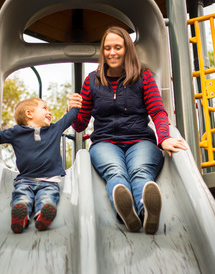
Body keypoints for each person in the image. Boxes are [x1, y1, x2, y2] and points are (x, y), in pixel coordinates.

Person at [72, 26, 187, 234]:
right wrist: (73, 111)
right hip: (105, 142)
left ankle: (146, 211)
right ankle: (125, 212)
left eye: (117, 47)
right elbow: (80, 124)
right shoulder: (92, 80)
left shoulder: (143, 77)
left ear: (127, 49)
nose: (112, 53)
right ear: (102, 51)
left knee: (140, 170)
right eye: (107, 48)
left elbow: (158, 112)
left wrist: (164, 138)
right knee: (115, 171)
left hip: (140, 140)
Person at [0, 94, 82, 233]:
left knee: (48, 197)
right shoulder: (16, 133)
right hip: (25, 179)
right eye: (44, 108)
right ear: (29, 114)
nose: (49, 112)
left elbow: (68, 119)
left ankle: (43, 215)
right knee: (22, 195)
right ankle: (21, 214)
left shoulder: (54, 129)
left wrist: (74, 107)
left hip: (49, 180)